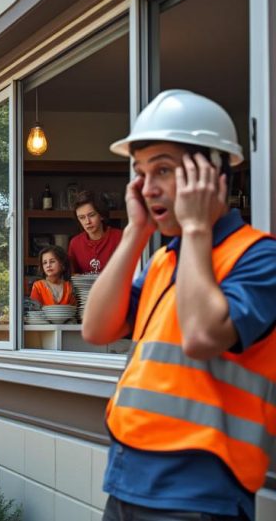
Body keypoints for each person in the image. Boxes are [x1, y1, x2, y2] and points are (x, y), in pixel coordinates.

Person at [83, 90, 276, 521]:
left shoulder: (261, 257)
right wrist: (135, 231)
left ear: (213, 175)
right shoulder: (162, 260)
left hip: (198, 495)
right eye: (140, 172)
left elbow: (202, 336)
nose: (147, 187)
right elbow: (96, 329)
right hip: (127, 477)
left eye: (164, 170)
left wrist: (194, 227)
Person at [67, 191, 121, 274]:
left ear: (101, 215)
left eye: (92, 215)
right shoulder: (75, 243)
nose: (87, 222)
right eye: (82, 217)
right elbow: (72, 276)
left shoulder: (120, 237)